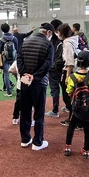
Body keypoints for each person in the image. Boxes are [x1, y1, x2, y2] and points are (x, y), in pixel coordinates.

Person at [17, 23, 54, 151]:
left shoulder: (26, 41)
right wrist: (36, 76)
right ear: (48, 32)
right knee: (39, 113)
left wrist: (24, 74)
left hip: (25, 81)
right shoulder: (48, 44)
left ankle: (25, 139)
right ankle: (38, 142)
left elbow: (19, 59)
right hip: (39, 83)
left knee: (25, 110)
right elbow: (48, 64)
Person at [63, 50, 89, 158]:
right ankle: (86, 150)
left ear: (77, 63)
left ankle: (67, 147)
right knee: (87, 129)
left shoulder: (72, 77)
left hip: (77, 108)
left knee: (71, 126)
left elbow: (69, 91)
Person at [56, 23, 79, 126]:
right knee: (71, 96)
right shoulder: (72, 41)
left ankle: (75, 119)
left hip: (69, 71)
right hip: (72, 71)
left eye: (59, 32)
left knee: (68, 97)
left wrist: (67, 77)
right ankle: (72, 117)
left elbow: (70, 62)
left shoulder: (68, 43)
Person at [45, 19, 63, 118]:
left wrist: (51, 66)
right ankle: (68, 107)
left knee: (55, 89)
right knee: (64, 88)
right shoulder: (64, 39)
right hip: (63, 68)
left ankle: (55, 110)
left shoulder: (53, 40)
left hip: (55, 69)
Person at [0, 23, 18, 97]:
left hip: (5, 59)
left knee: (6, 75)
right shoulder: (14, 38)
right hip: (14, 58)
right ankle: (20, 89)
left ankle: (9, 92)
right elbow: (17, 49)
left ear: (2, 30)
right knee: (16, 74)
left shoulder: (1, 40)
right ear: (9, 29)